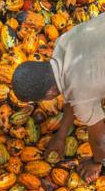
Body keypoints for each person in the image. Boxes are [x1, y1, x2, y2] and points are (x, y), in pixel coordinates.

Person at [11, 14, 105, 182]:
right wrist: (61, 136)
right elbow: (70, 93)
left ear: (50, 94)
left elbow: (100, 140)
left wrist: (95, 162)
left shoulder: (80, 91)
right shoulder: (63, 43)